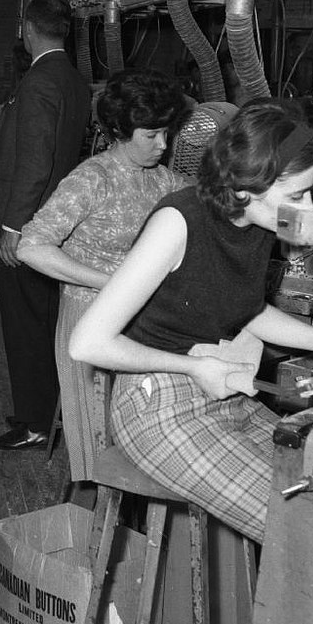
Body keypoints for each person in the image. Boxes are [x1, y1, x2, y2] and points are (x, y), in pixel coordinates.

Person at [69, 101, 313, 541]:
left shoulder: (256, 225)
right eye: (296, 196)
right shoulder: (178, 223)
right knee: (309, 532)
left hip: (227, 390)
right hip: (159, 405)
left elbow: (246, 310)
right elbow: (87, 344)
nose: (306, 207)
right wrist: (193, 367)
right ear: (245, 186)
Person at [16, 69, 192, 481]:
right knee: (100, 449)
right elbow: (31, 247)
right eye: (151, 136)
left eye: (166, 133)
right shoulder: (90, 179)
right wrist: (109, 282)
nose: (162, 145)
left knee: (144, 440)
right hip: (91, 320)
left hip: (144, 321)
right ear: (119, 130)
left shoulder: (164, 180)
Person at [0, 0, 91, 451]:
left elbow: (35, 161)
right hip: (54, 218)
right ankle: (39, 406)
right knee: (40, 321)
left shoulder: (39, 80)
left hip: (31, 224)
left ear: (28, 27)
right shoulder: (73, 79)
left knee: (25, 326)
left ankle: (34, 422)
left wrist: (14, 226)